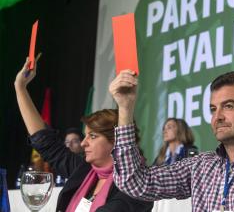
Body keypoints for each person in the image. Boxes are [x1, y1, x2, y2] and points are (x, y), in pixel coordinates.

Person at [110, 70, 234, 211]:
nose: (218, 117)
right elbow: (135, 182)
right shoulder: (201, 165)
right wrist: (126, 108)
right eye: (213, 109)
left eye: (229, 106)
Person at [14, 58, 153, 211]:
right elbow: (44, 142)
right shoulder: (84, 170)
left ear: (116, 140)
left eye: (92, 136)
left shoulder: (139, 184)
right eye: (85, 136)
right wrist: (20, 88)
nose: (83, 143)